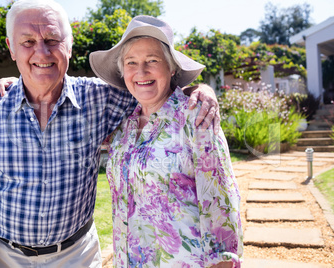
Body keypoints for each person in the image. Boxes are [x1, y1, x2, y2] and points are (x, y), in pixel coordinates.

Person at [0, 1, 219, 267]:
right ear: (11, 48)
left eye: (52, 40)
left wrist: (199, 91)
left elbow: (152, 88)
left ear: (69, 45)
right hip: (2, 257)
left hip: (76, 256)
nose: (42, 53)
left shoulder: (102, 99)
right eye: (28, 42)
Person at [89, 15, 243, 267]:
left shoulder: (196, 117)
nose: (141, 71)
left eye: (152, 60)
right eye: (131, 62)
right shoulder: (123, 129)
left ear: (172, 68)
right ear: (123, 70)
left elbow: (221, 207)